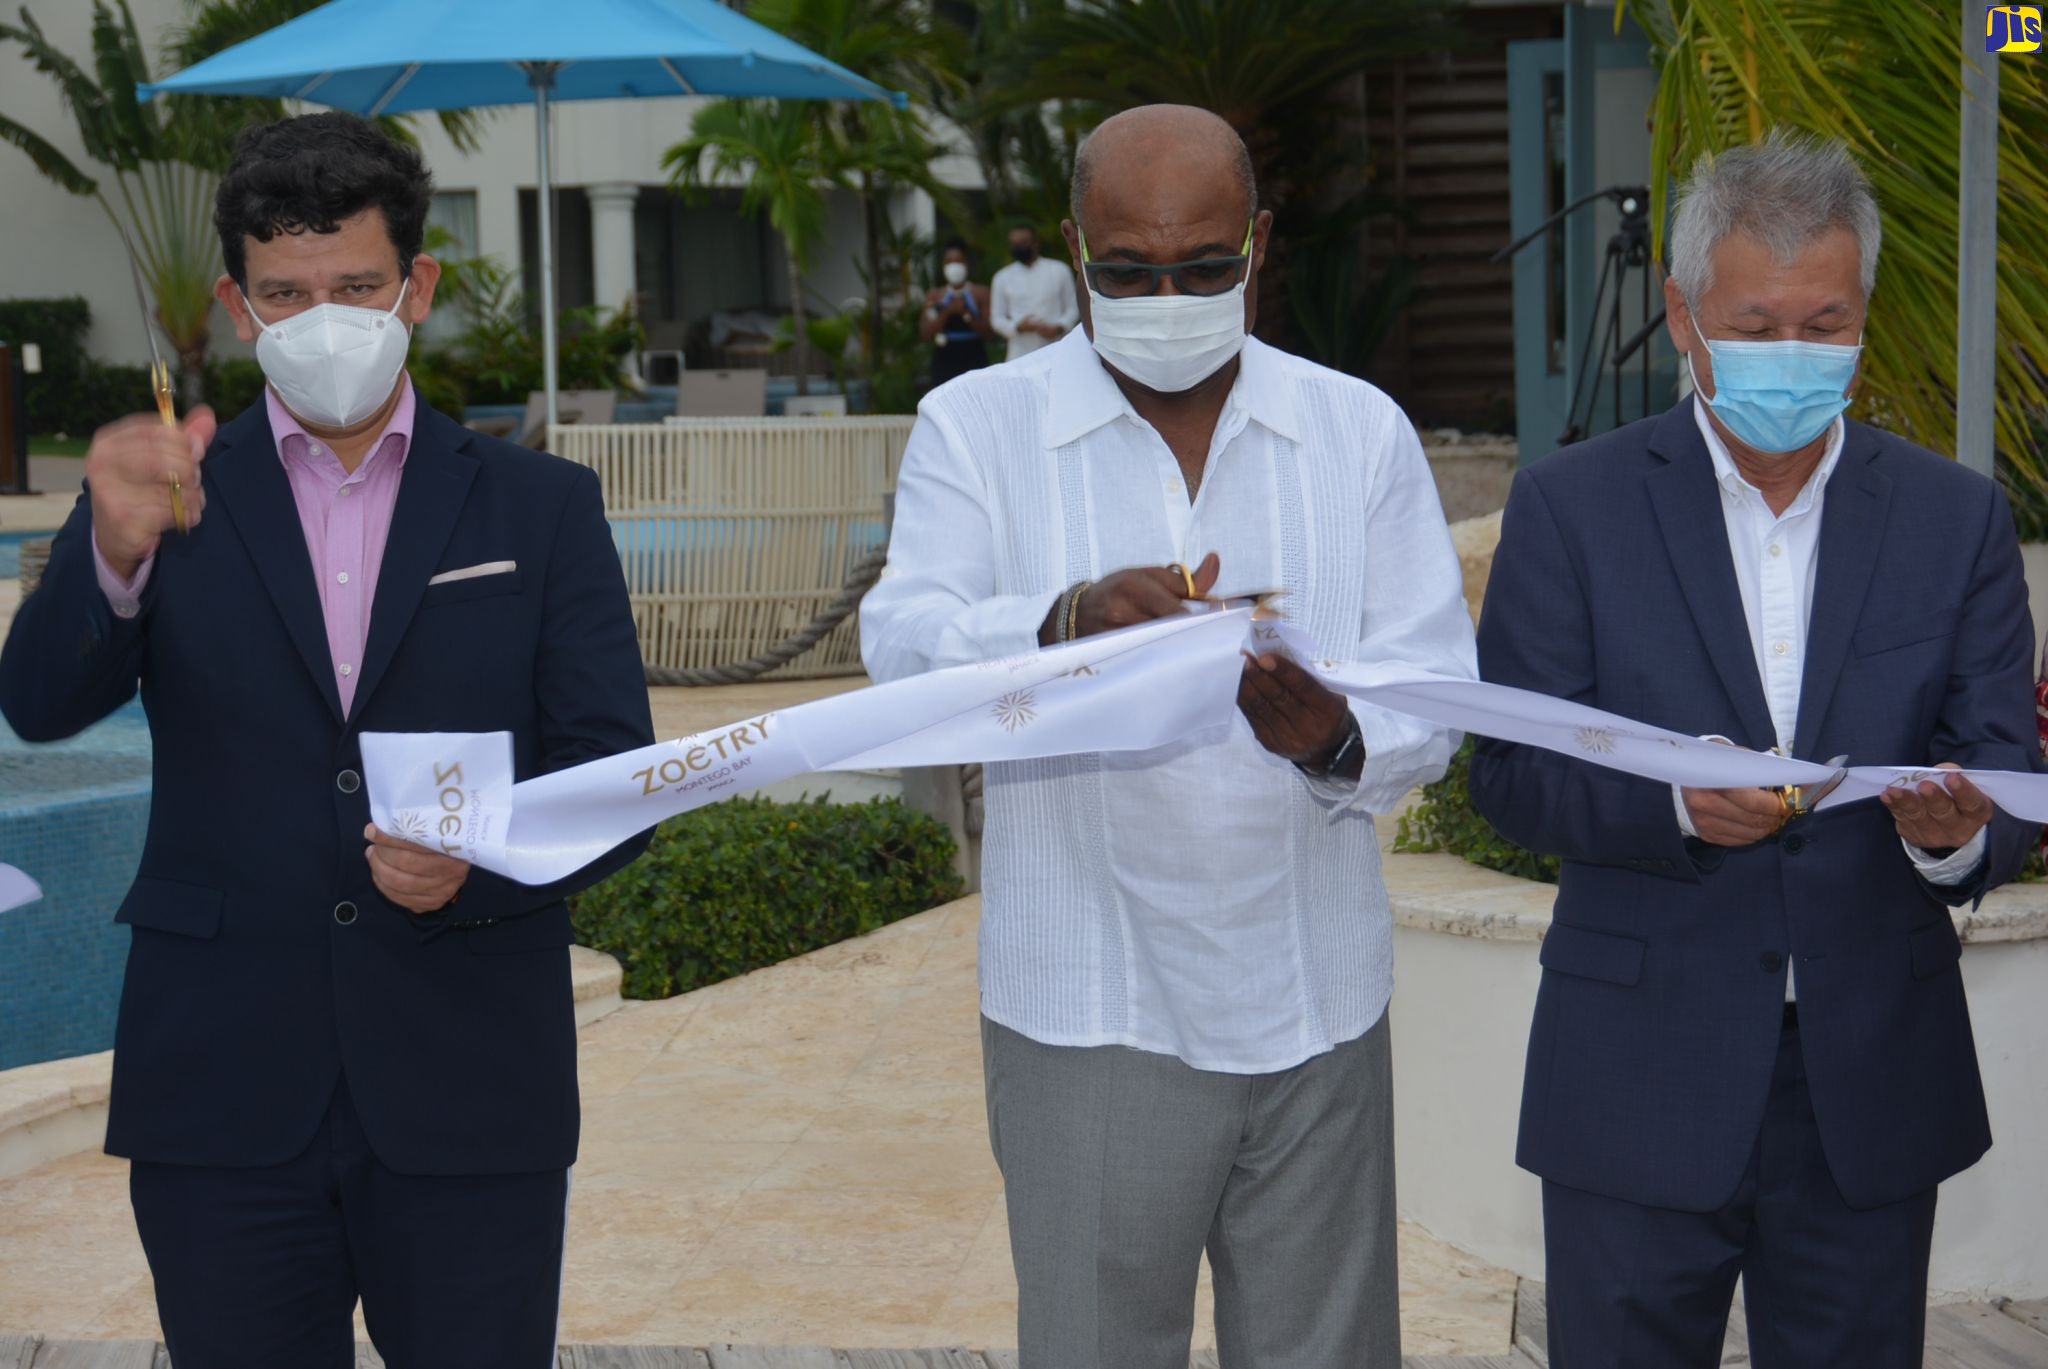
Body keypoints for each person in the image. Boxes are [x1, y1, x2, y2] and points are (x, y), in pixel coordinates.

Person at [0, 112, 656, 1368]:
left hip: (470, 1082)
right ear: (240, 307)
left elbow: (610, 772)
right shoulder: (166, 494)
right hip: (220, 1086)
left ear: (417, 286)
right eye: (287, 293)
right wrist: (109, 556)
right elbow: (36, 703)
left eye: (355, 286)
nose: (323, 319)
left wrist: (480, 857)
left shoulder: (540, 506)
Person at [862, 104, 1476, 1369]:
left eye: (1201, 269)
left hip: (1314, 998)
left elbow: (1433, 688)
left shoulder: (1354, 430)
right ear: (1072, 254)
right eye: (1128, 273)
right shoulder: (978, 426)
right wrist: (1056, 624)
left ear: (1257, 245)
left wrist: (1333, 738)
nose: (1166, 300)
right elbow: (900, 647)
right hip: (1086, 1003)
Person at [1467, 132, 2038, 1369]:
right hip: (1635, 1070)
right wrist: (1674, 810)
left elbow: (2000, 766)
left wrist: (1956, 839)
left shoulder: (1952, 518)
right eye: (1756, 323)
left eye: (1822, 324)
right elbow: (1508, 771)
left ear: (1861, 318)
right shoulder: (1571, 506)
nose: (1792, 352)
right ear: (1683, 316)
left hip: (1867, 1077)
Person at [990, 221, 1078, 360]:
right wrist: (1018, 327)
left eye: (1023, 243)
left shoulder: (1059, 270)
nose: (1018, 247)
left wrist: (1060, 327)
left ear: (1035, 243)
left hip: (1056, 349)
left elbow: (1074, 307)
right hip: (1019, 354)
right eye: (1014, 244)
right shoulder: (1002, 277)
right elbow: (997, 319)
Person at [921, 238, 994, 386]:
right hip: (945, 356)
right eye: (949, 262)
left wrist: (966, 314)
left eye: (958, 261)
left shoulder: (980, 293)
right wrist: (946, 312)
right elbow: (925, 333)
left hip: (974, 354)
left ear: (967, 263)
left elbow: (989, 333)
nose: (953, 266)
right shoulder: (935, 295)